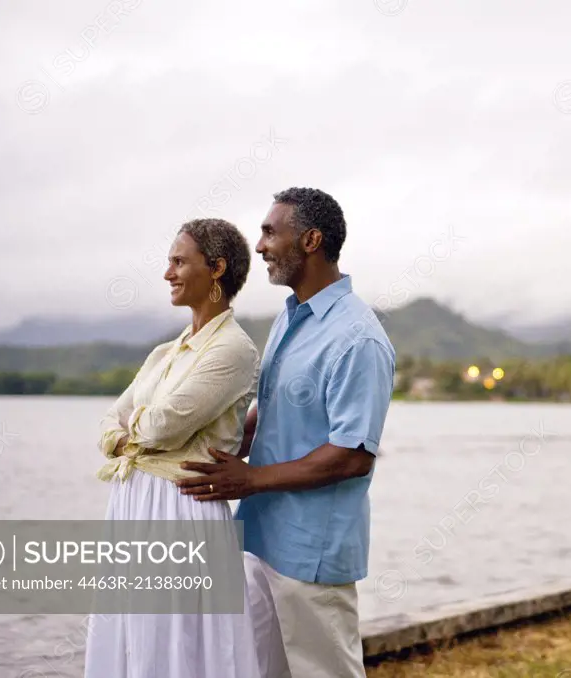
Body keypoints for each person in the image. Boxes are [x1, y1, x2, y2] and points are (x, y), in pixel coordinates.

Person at [177, 187, 396, 677]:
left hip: (311, 552)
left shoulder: (358, 338)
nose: (259, 246)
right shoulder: (289, 318)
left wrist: (249, 479)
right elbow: (269, 413)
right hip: (259, 536)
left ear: (312, 240)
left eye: (270, 232)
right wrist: (195, 450)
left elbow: (352, 455)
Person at [85, 218, 262, 678]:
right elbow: (109, 423)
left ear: (217, 268)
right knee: (131, 639)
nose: (168, 273)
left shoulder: (234, 351)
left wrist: (130, 437)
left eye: (179, 261)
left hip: (182, 509)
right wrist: (127, 436)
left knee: (178, 645)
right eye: (169, 262)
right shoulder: (163, 353)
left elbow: (161, 427)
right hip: (132, 501)